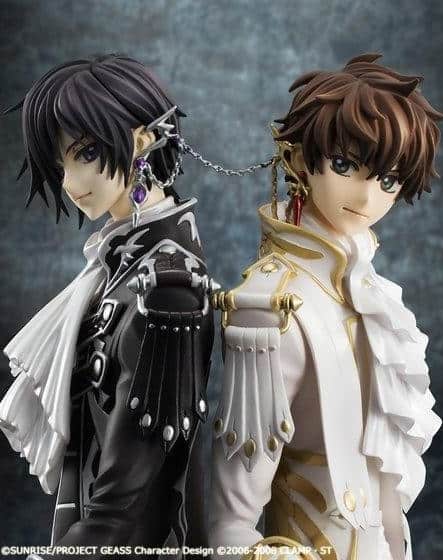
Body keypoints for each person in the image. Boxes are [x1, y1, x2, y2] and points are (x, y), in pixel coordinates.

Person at [209, 53, 443, 560]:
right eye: (344, 165)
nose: (368, 195)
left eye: (389, 179)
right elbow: (229, 523)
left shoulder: (375, 298)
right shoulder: (268, 309)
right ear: (298, 161)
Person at [0, 54, 215, 557]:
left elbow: (128, 494)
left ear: (141, 140)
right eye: (62, 164)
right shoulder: (115, 268)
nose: (70, 183)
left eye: (87, 153)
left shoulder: (168, 288)